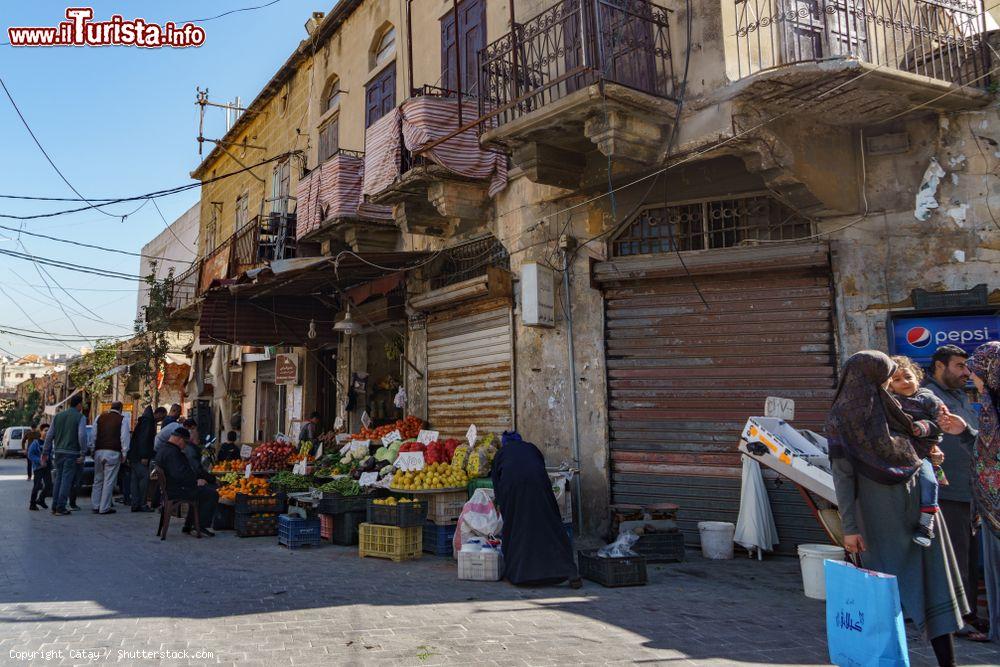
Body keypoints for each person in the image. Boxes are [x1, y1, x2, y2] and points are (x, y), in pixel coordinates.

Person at [828, 351, 969, 666]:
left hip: (918, 511)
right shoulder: (847, 419)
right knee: (886, 595)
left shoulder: (893, 410)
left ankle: (947, 662)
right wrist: (849, 527)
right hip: (882, 516)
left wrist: (931, 457)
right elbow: (843, 476)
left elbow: (926, 442)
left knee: (929, 586)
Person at [924, 344, 990, 640]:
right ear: (940, 365)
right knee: (956, 558)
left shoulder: (960, 396)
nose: (966, 372)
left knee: (970, 558)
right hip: (947, 492)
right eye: (959, 366)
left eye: (967, 367)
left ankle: (970, 615)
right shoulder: (927, 397)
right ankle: (957, 619)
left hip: (972, 492)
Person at [490, 431, 580, 588]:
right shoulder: (531, 448)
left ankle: (520, 574)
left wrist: (501, 504)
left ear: (505, 443)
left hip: (513, 490)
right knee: (550, 524)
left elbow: (497, 484)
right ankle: (569, 571)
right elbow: (540, 466)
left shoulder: (501, 454)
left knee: (516, 528)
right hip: (539, 486)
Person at [888, 356, 953, 547]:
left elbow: (944, 422)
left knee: (930, 482)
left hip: (921, 454)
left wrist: (924, 427)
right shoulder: (890, 402)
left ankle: (926, 524)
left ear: (917, 376)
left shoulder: (927, 398)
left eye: (908, 377)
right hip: (897, 454)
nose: (905, 383)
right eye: (897, 380)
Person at [966, 342, 1000, 643]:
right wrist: (966, 434)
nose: (972, 379)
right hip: (992, 514)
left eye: (976, 372)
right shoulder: (990, 411)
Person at [153, 426, 217, 537]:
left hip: (172, 488)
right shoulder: (173, 452)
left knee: (202, 491)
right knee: (211, 493)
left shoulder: (164, 449)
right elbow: (180, 474)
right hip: (177, 490)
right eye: (185, 443)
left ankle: (190, 524)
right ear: (180, 440)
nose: (185, 446)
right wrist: (195, 481)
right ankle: (200, 525)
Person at [42, 394, 88, 516]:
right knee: (66, 480)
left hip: (58, 452)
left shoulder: (58, 416)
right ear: (79, 404)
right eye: (81, 405)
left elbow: (49, 435)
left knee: (58, 479)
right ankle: (61, 507)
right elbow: (82, 435)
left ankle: (55, 506)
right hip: (71, 453)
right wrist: (83, 453)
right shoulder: (80, 417)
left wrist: (45, 452)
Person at [90, 401, 130, 515]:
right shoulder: (122, 420)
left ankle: (95, 505)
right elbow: (124, 437)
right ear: (120, 409)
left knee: (98, 479)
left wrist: (93, 449)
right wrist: (124, 453)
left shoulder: (99, 418)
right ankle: (104, 507)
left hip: (99, 451)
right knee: (109, 480)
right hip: (113, 452)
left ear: (111, 408)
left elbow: (93, 435)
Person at [128, 406, 156, 512]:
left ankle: (135, 504)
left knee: (134, 481)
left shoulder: (140, 423)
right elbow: (144, 440)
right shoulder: (148, 423)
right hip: (140, 457)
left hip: (134, 456)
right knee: (144, 479)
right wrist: (145, 455)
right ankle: (142, 504)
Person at [27, 424, 51, 510]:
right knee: (37, 486)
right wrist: (39, 461)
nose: (47, 432)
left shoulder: (49, 443)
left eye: (49, 430)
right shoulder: (36, 443)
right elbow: (30, 455)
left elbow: (51, 453)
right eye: (45, 430)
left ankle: (41, 499)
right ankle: (32, 504)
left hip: (47, 467)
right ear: (41, 432)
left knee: (49, 486)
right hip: (38, 468)